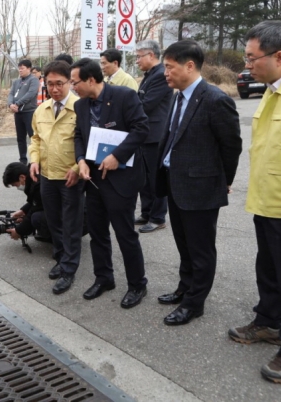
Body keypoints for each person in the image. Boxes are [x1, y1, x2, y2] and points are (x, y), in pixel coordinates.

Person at [227, 20, 281, 384]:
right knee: (269, 270)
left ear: (280, 56)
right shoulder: (273, 89)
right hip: (266, 202)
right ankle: (269, 322)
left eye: (252, 58)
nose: (247, 65)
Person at [155, 40, 242, 326]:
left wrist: (223, 181)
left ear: (189, 66)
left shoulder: (215, 100)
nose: (165, 73)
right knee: (184, 245)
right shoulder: (177, 96)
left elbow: (231, 147)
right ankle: (185, 288)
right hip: (175, 184)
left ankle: (195, 303)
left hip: (201, 188)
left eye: (169, 67)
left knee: (201, 249)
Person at [72, 58, 150, 309]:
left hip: (121, 179)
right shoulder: (82, 106)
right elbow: (79, 136)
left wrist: (118, 156)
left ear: (91, 80)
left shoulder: (124, 96)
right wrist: (81, 160)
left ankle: (137, 284)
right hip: (93, 179)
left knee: (125, 234)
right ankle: (104, 278)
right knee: (97, 233)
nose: (73, 87)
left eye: (75, 82)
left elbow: (141, 128)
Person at [28, 60, 85, 295]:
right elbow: (36, 139)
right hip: (47, 176)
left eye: (59, 83)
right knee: (54, 222)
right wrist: (33, 160)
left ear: (70, 82)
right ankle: (62, 258)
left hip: (71, 176)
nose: (54, 89)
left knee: (71, 224)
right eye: (49, 84)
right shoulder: (41, 109)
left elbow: (87, 143)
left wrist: (77, 167)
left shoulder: (81, 108)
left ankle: (69, 270)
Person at [135, 40, 174, 233]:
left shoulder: (160, 75)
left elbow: (146, 104)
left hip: (155, 134)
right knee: (144, 177)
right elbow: (139, 98)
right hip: (144, 134)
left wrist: (130, 109)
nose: (136, 61)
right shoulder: (149, 74)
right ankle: (147, 212)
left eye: (139, 56)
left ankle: (158, 217)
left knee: (155, 178)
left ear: (151, 55)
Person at [2, 162, 50, 241]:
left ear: (22, 177)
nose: (17, 187)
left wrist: (18, 231)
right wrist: (23, 211)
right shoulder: (34, 176)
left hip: (67, 213)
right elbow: (37, 202)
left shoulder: (37, 185)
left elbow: (37, 207)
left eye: (15, 185)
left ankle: (59, 239)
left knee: (36, 218)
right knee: (34, 215)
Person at [7, 59, 39, 165]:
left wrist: (18, 103)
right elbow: (11, 94)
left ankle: (36, 159)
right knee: (20, 137)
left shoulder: (33, 80)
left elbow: (31, 94)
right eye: (19, 68)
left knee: (32, 136)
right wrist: (11, 104)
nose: (20, 70)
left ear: (29, 69)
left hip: (29, 112)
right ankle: (23, 159)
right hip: (18, 113)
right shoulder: (16, 82)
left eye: (22, 68)